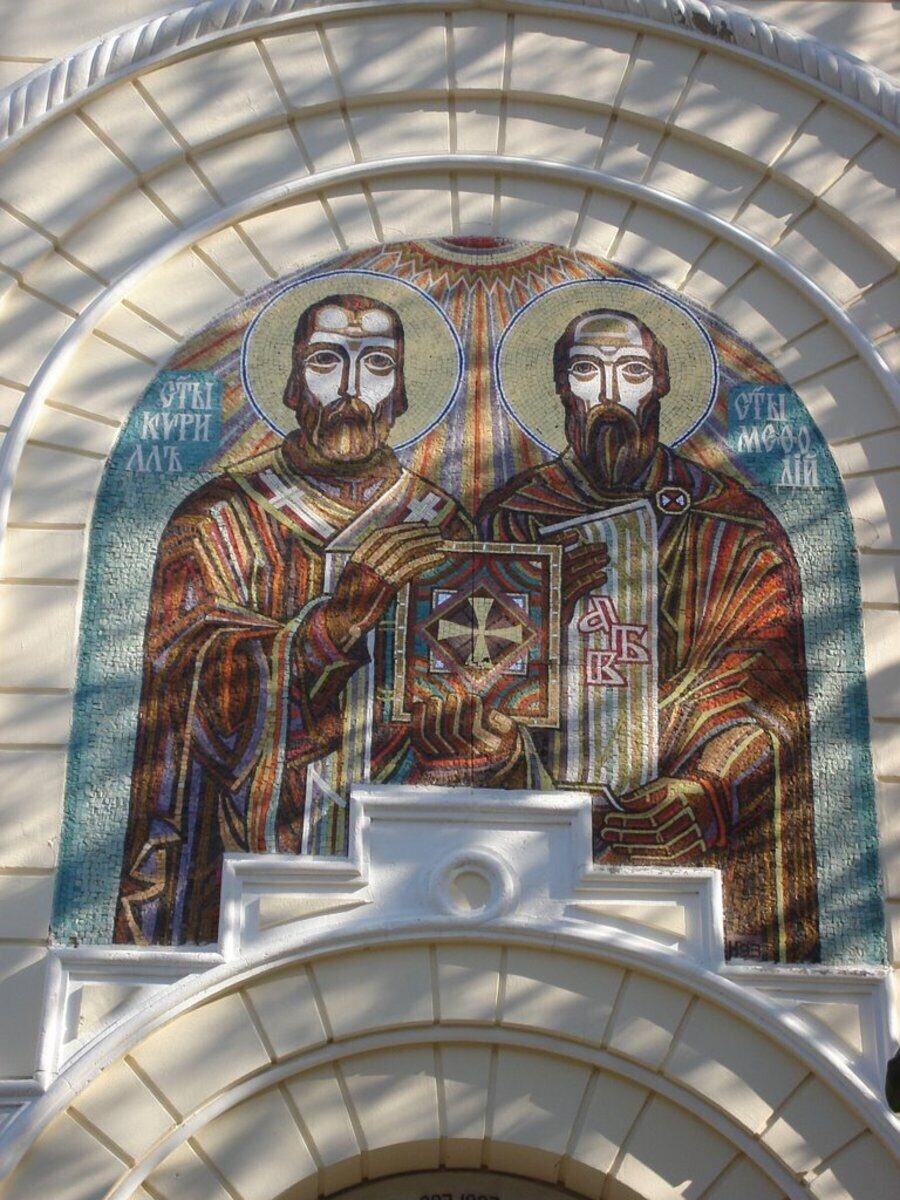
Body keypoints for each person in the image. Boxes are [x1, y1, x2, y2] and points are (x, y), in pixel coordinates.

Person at [115, 294, 502, 944]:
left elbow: (479, 686)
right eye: (327, 361)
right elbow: (180, 690)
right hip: (246, 849)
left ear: (402, 392)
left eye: (376, 364)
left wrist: (489, 737)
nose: (351, 387)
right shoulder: (218, 516)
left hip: (419, 858)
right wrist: (333, 626)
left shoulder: (442, 525)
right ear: (293, 384)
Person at [478, 307, 819, 961]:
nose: (610, 395)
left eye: (631, 372)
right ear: (561, 389)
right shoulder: (513, 518)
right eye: (587, 371)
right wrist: (540, 615)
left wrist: (707, 789)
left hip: (683, 833)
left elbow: (768, 690)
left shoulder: (731, 523)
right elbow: (476, 673)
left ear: (661, 385)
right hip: (535, 841)